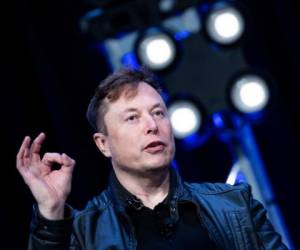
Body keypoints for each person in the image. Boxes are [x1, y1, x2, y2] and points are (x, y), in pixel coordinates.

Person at [16, 67, 288, 249]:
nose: (152, 125)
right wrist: (51, 211)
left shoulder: (235, 205)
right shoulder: (84, 231)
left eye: (158, 113)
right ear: (103, 144)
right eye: (132, 117)